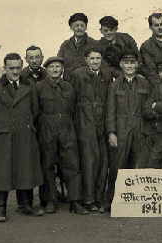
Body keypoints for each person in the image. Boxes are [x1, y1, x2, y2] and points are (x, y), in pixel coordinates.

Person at [0, 53, 44, 222]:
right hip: (4, 136)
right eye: (11, 68)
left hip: (25, 134)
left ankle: (26, 205)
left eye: (18, 67)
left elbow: (35, 111)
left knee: (26, 169)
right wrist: (2, 127)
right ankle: (0, 209)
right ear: (5, 68)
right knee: (3, 172)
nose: (15, 71)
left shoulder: (29, 86)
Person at [34, 56, 88, 215]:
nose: (55, 70)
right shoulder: (39, 87)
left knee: (72, 164)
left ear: (62, 69)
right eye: (51, 67)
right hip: (47, 127)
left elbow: (72, 109)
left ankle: (75, 201)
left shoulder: (69, 87)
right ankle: (50, 200)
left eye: (58, 67)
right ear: (46, 69)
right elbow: (36, 111)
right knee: (47, 164)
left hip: (66, 127)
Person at [105, 50, 151, 212]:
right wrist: (111, 132)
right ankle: (112, 200)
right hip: (121, 126)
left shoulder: (145, 84)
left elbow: (149, 108)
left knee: (139, 163)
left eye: (132, 63)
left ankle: (136, 202)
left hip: (140, 127)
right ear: (121, 65)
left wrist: (148, 131)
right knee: (118, 164)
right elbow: (110, 110)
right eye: (126, 63)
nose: (130, 66)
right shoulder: (114, 85)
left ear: (137, 65)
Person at [69, 48, 113, 212]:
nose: (95, 61)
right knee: (89, 160)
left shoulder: (106, 74)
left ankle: (99, 198)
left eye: (98, 58)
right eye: (92, 58)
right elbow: (72, 101)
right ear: (85, 60)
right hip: (84, 118)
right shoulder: (77, 75)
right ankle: (88, 199)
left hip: (102, 117)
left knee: (103, 160)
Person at [18, 45, 47, 215]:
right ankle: (25, 202)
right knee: (25, 164)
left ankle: (46, 199)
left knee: (44, 161)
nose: (35, 60)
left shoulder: (47, 73)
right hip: (27, 125)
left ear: (42, 58)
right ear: (26, 59)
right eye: (31, 57)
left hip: (44, 124)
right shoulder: (20, 76)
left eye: (38, 57)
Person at [58, 13, 97, 81]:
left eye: (82, 25)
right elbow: (58, 64)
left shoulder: (93, 44)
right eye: (77, 26)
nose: (79, 28)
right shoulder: (65, 45)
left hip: (87, 83)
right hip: (69, 84)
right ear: (71, 28)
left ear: (86, 27)